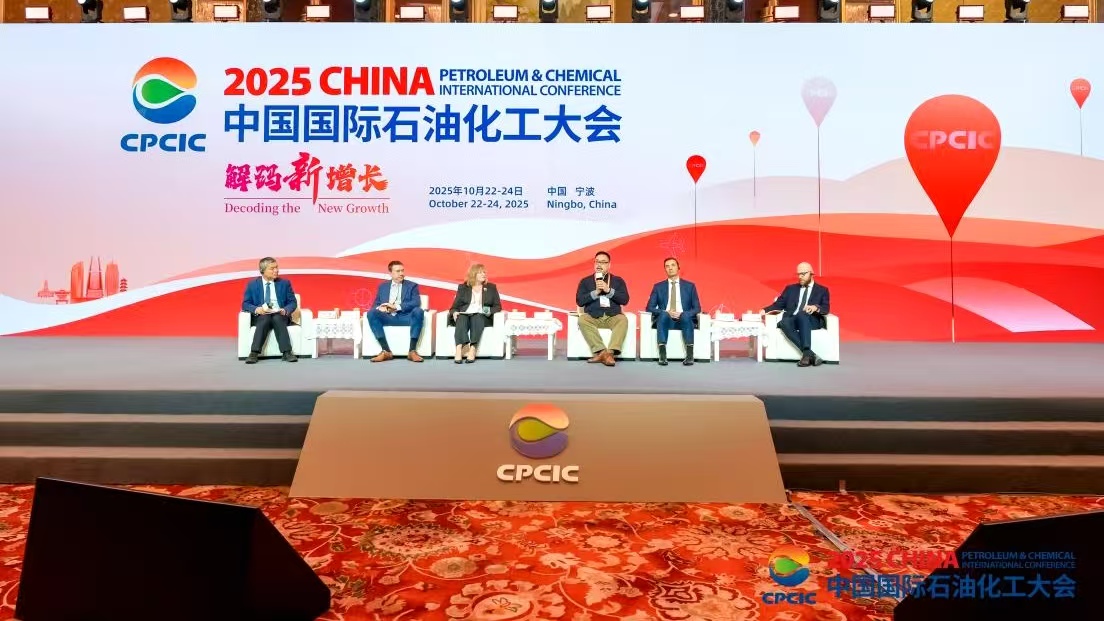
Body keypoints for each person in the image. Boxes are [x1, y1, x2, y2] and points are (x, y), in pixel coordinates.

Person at [762, 261, 830, 367]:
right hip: (793, 319)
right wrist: (764, 310)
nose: (800, 277)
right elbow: (778, 304)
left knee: (802, 314)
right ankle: (808, 354)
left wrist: (815, 307)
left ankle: (807, 354)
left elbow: (826, 308)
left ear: (811, 274)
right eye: (798, 274)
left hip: (810, 320)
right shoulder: (790, 289)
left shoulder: (822, 290)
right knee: (784, 322)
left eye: (803, 274)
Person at [575, 250, 629, 367]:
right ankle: (603, 352)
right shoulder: (585, 281)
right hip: (593, 316)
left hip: (612, 316)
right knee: (582, 320)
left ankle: (610, 352)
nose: (599, 265)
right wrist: (596, 292)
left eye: (603, 262)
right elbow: (580, 301)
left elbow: (625, 300)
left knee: (623, 320)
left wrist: (608, 290)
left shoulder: (618, 280)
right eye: (597, 262)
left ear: (609, 265)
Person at [240, 257, 298, 364]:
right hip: (262, 316)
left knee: (277, 318)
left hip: (280, 315)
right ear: (262, 270)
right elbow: (245, 304)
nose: (276, 270)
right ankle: (254, 353)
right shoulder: (252, 284)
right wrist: (257, 309)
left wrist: (285, 310)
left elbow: (292, 302)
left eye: (276, 267)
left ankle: (287, 353)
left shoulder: (284, 283)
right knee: (265, 318)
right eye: (272, 268)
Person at [645, 257, 701, 366]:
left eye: (673, 265)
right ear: (665, 269)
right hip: (666, 320)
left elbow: (697, 308)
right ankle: (662, 355)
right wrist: (666, 312)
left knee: (685, 315)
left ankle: (690, 356)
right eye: (667, 266)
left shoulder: (690, 286)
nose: (670, 268)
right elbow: (649, 308)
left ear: (678, 267)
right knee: (663, 314)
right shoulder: (658, 287)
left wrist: (683, 314)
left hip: (684, 321)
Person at [366, 260, 425, 363]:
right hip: (388, 316)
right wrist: (381, 307)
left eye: (402, 270)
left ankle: (412, 351)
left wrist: (396, 307)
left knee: (418, 311)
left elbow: (416, 302)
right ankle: (386, 351)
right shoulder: (382, 286)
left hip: (405, 316)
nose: (401, 273)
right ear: (391, 273)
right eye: (398, 271)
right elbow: (376, 304)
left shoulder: (412, 286)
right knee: (372, 313)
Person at [447, 263, 503, 364]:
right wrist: (454, 312)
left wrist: (485, 311)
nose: (484, 274)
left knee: (477, 316)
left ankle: (473, 349)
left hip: (482, 316)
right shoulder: (463, 287)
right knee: (461, 317)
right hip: (466, 314)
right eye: (480, 272)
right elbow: (454, 307)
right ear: (473, 274)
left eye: (484, 272)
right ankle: (459, 349)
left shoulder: (491, 287)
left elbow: (497, 306)